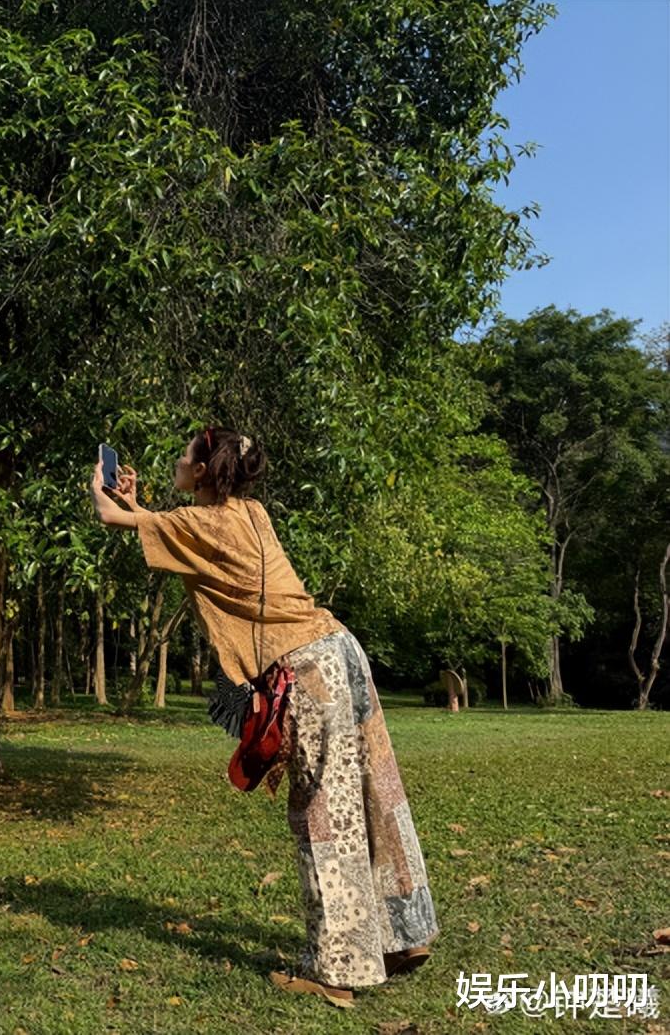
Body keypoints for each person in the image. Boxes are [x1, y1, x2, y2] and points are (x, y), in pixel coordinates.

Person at [90, 428, 437, 1006]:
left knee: (323, 813)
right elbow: (180, 532)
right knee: (376, 792)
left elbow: (113, 518)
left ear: (203, 471)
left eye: (185, 455)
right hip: (338, 649)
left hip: (304, 668)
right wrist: (139, 508)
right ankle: (404, 934)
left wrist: (101, 490)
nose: (176, 461)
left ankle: (337, 970)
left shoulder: (198, 522)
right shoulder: (252, 513)